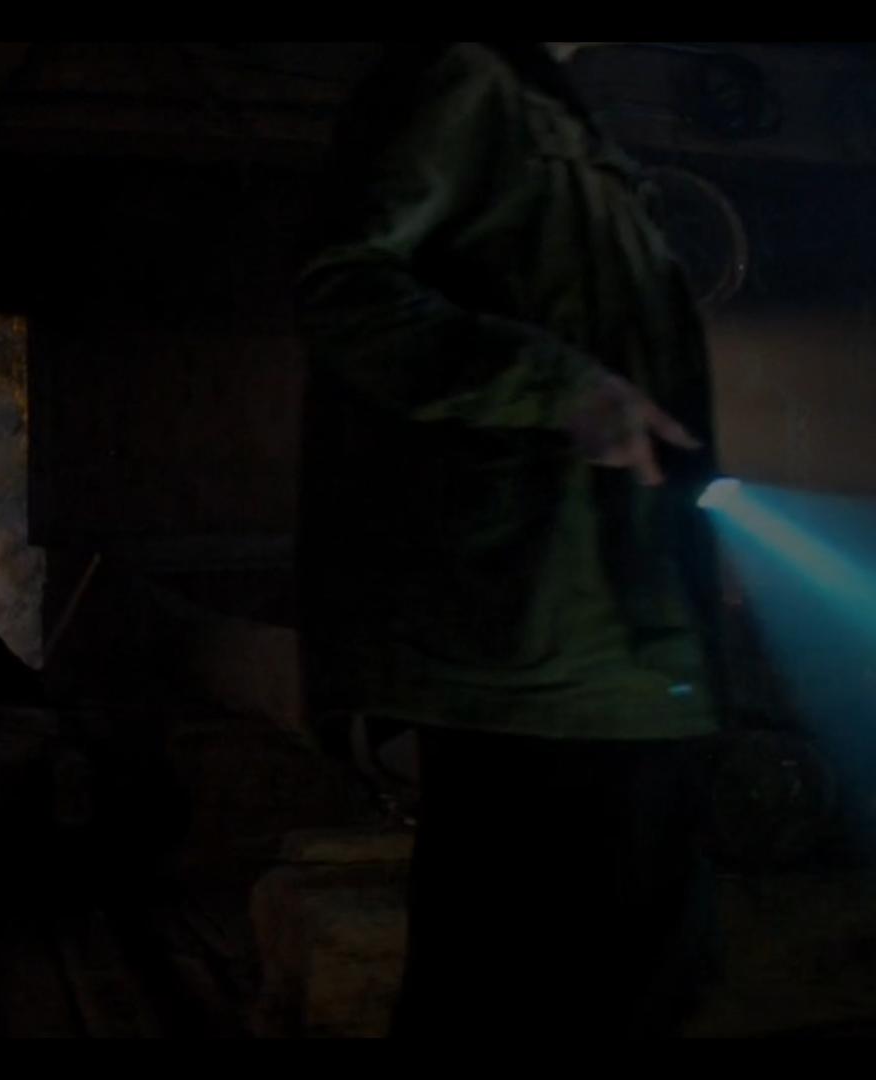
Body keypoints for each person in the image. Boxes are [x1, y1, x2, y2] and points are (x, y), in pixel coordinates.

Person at [295, 41, 729, 1038]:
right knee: (509, 995)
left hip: (621, 651)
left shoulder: (571, 127)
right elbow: (342, 287)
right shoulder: (459, 78)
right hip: (529, 650)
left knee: (643, 983)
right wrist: (554, 387)